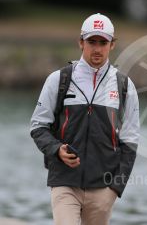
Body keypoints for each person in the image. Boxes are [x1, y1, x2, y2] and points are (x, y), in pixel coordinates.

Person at [30, 13, 139, 225]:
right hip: (64, 182)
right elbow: (38, 126)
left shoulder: (124, 86)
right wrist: (56, 149)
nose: (97, 48)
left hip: (103, 189)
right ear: (81, 42)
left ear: (112, 45)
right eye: (91, 41)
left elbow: (131, 140)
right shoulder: (59, 79)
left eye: (103, 42)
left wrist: (116, 187)